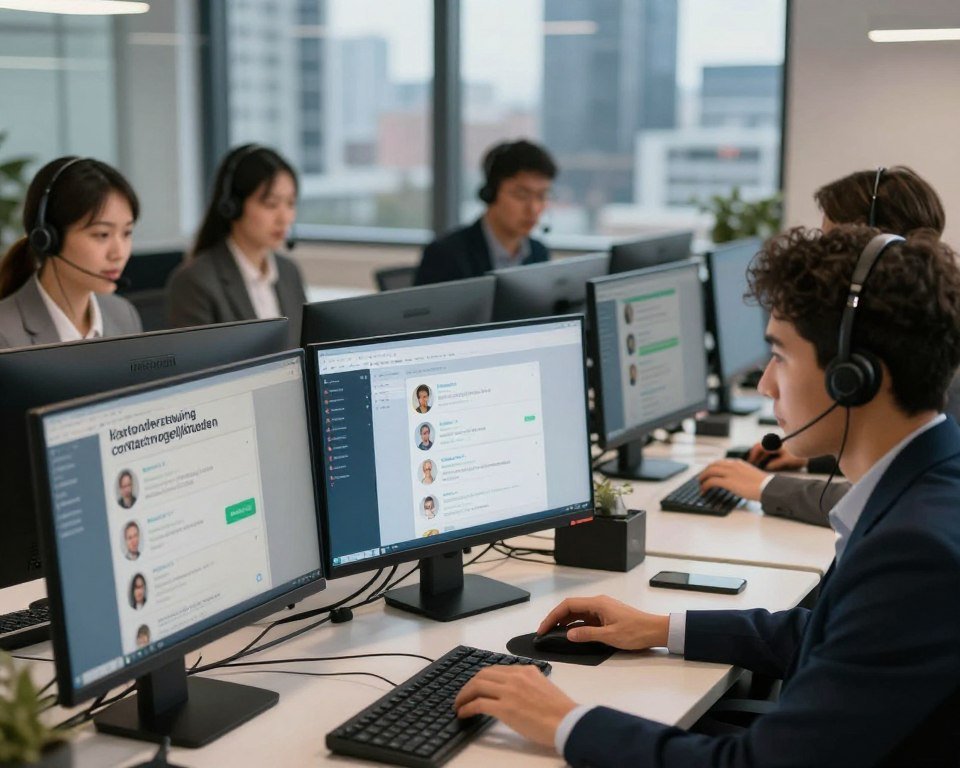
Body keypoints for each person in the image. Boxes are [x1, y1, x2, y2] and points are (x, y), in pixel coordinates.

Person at [454, 225, 960, 766]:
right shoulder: (926, 489)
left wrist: (566, 721)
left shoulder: (916, 549)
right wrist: (659, 628)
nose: (765, 384)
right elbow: (826, 633)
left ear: (853, 379)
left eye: (780, 355)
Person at [699, 165, 955, 526]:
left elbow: (882, 497)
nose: (822, 258)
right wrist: (818, 451)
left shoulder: (912, 541)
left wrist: (768, 486)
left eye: (831, 243)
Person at [166, 144, 306, 347]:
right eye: (271, 204)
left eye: (290, 203)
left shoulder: (289, 272)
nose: (285, 218)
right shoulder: (195, 282)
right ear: (233, 206)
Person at [0, 156, 142, 349]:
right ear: (48, 238)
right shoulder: (5, 333)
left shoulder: (124, 314)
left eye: (127, 233)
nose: (119, 253)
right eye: (102, 234)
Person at [414, 140, 556, 285]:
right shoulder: (445, 255)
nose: (533, 208)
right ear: (490, 193)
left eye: (541, 196)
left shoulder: (539, 253)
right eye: (521, 195)